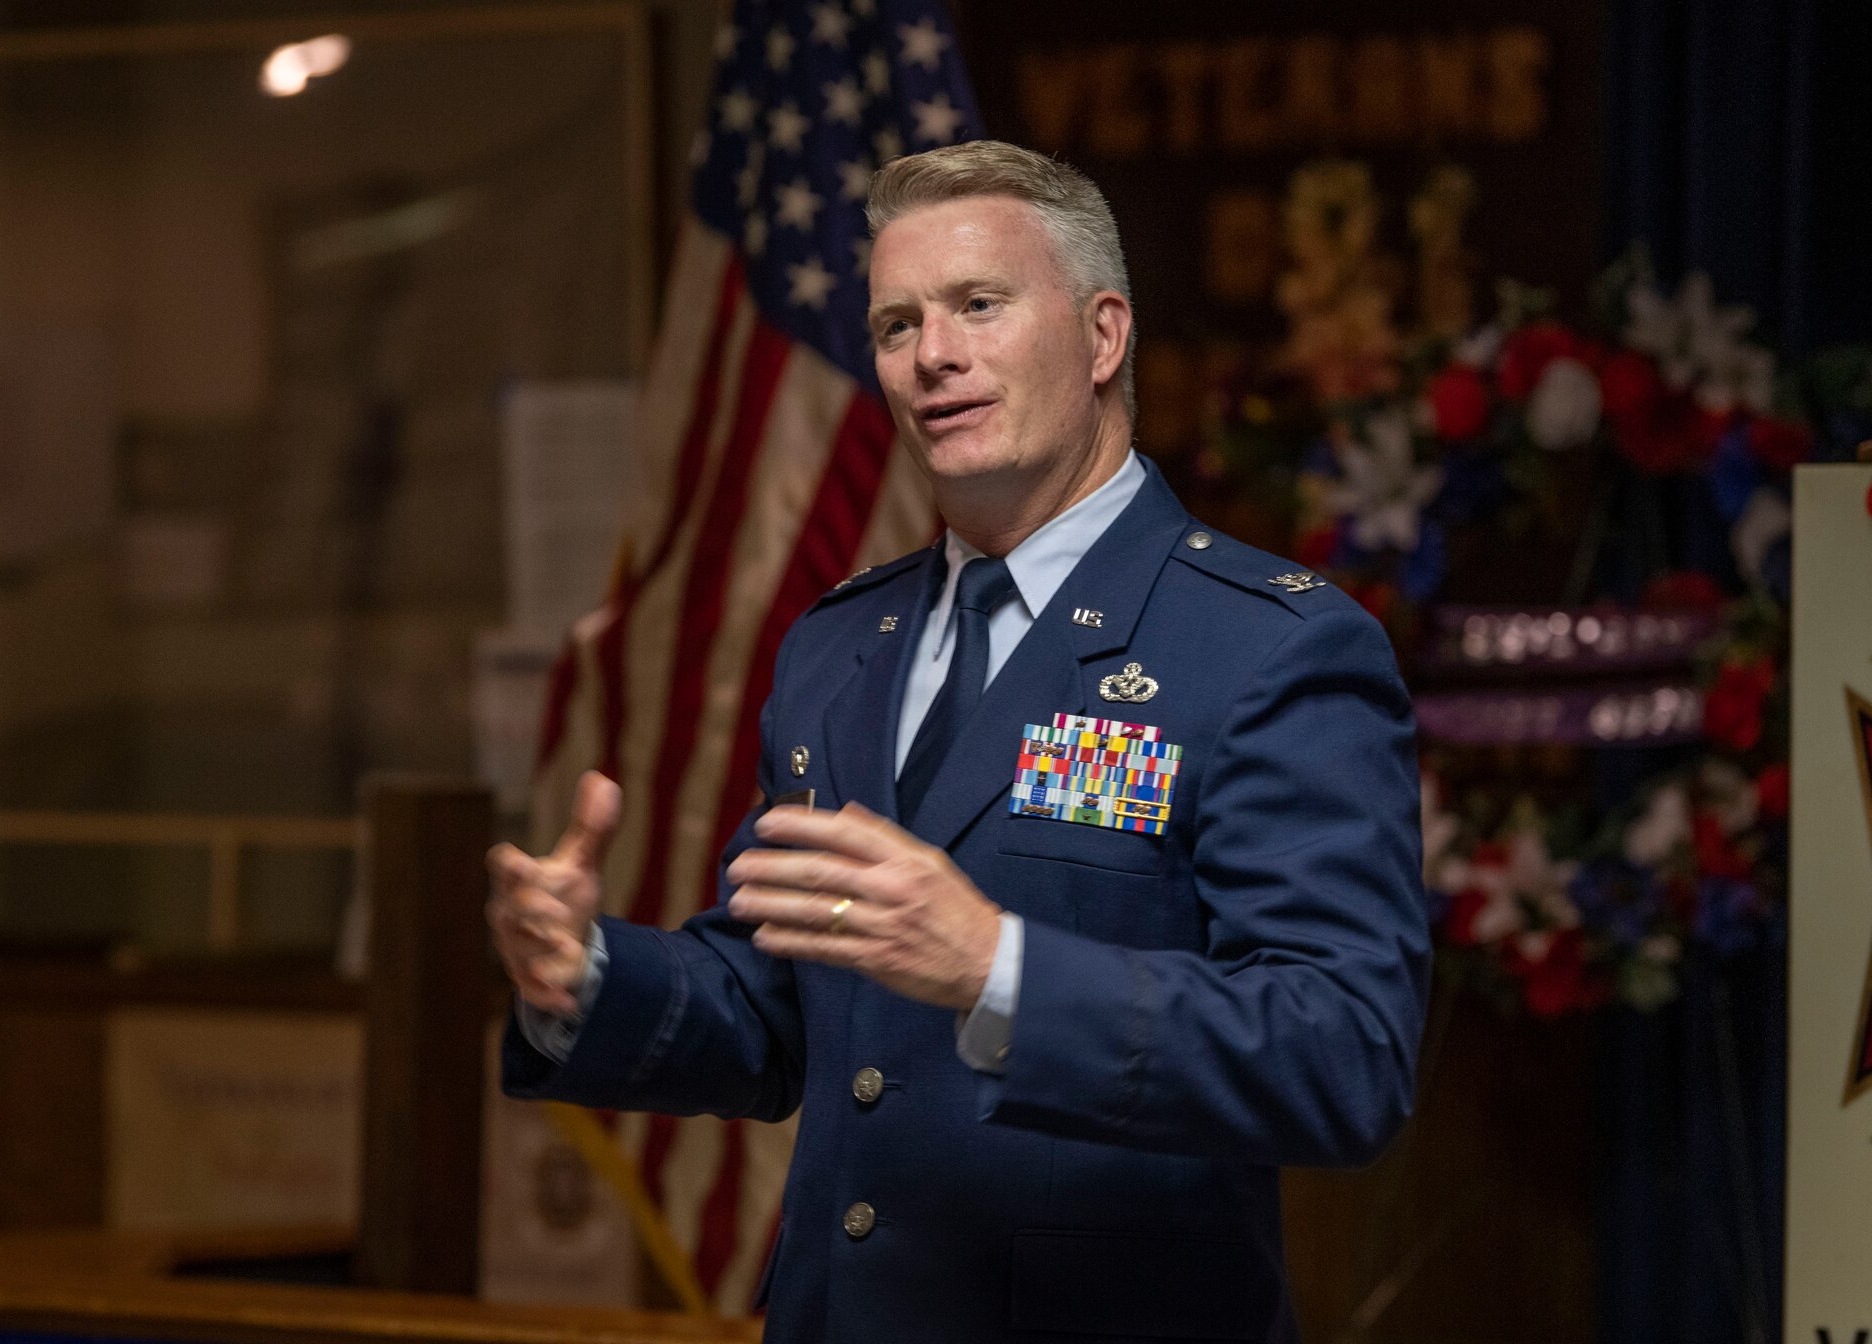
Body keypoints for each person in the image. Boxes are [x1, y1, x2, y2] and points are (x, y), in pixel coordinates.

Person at [490, 140, 1428, 1343]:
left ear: (1101, 336)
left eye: (977, 306)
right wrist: (586, 980)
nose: (932, 355)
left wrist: (997, 967)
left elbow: (1340, 1057)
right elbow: (778, 1006)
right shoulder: (839, 648)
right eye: (894, 324)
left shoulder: (1263, 650)